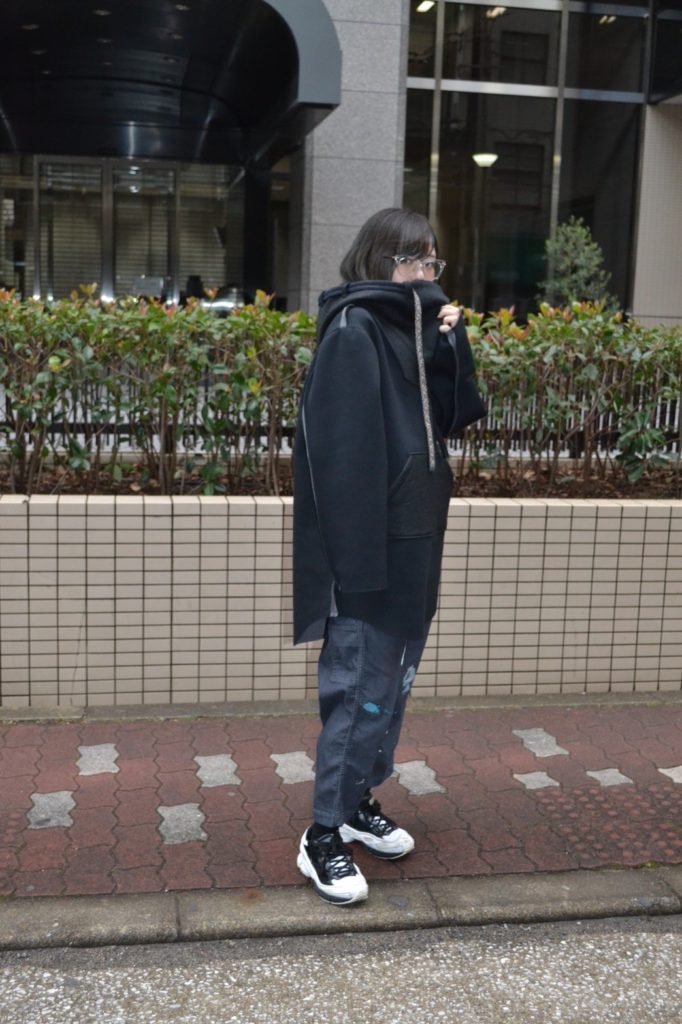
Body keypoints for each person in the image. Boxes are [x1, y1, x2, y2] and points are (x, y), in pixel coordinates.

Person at [292, 207, 485, 905]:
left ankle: (356, 803)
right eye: (415, 260)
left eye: (433, 261)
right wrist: (353, 569)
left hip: (414, 545)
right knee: (359, 695)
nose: (427, 272)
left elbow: (459, 412)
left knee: (390, 692)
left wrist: (452, 343)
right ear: (381, 260)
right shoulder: (355, 330)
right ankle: (322, 834)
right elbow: (340, 461)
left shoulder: (412, 328)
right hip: (369, 558)